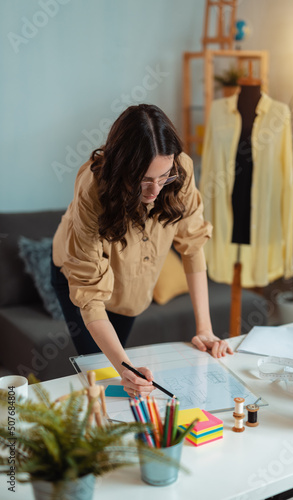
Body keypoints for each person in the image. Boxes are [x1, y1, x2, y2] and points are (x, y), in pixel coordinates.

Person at [51, 104, 233, 398]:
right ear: (123, 169)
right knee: (101, 374)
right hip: (80, 278)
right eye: (145, 180)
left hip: (131, 283)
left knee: (123, 377)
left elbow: (193, 245)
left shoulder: (179, 169)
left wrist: (205, 330)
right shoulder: (93, 189)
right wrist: (124, 368)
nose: (155, 191)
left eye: (164, 178)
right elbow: (91, 295)